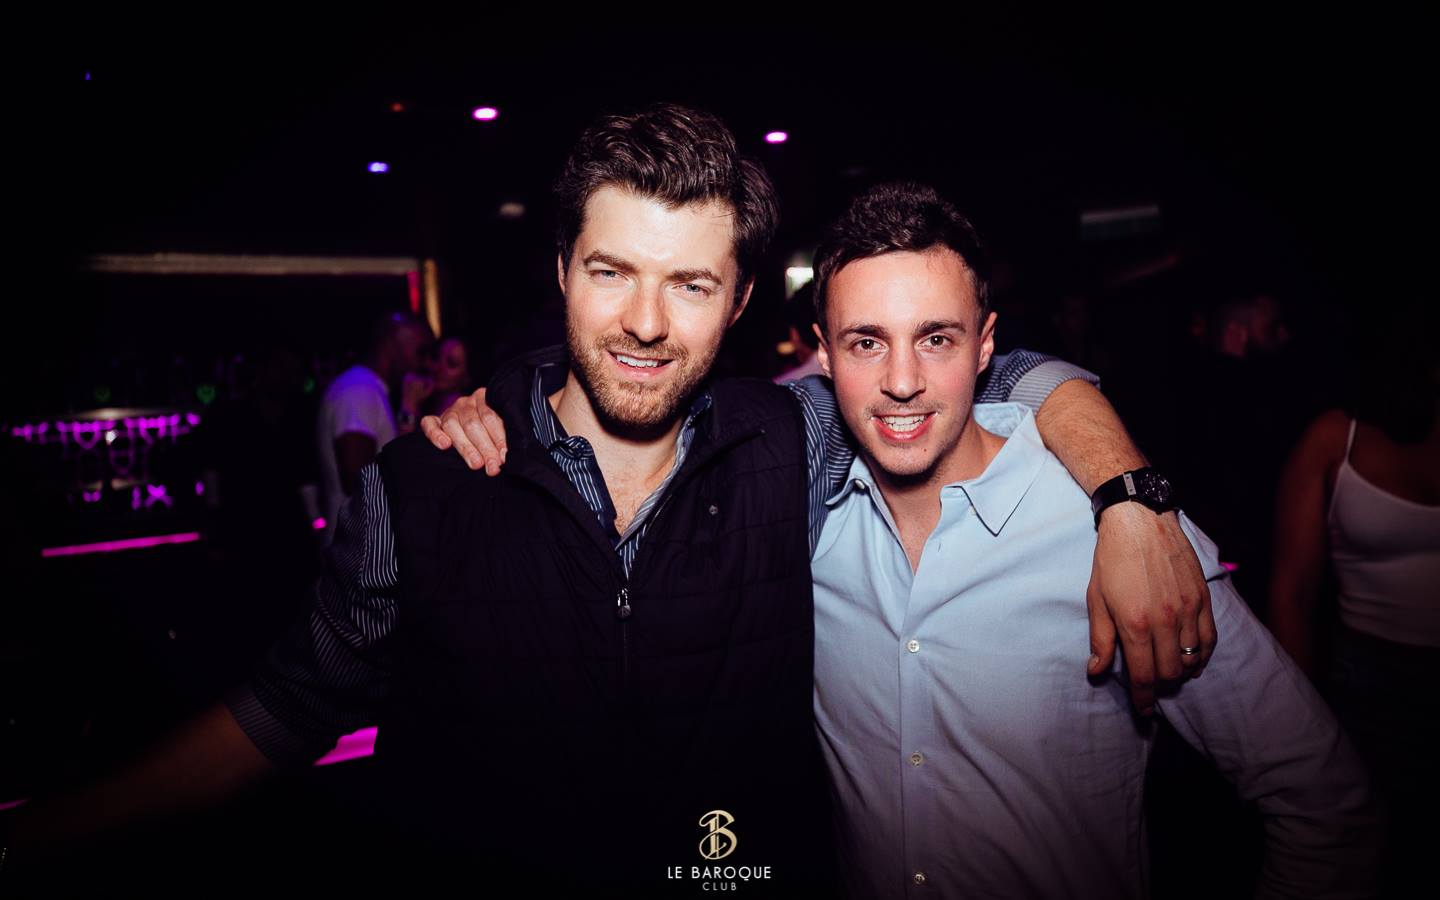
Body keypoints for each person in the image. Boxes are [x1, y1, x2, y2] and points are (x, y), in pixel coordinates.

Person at [2, 106, 1211, 894]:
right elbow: (284, 707)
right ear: (562, 272)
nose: (644, 322)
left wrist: (1128, 496)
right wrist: (40, 831)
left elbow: (991, 371)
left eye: (690, 283)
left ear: (740, 302)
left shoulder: (791, 437)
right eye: (611, 272)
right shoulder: (427, 480)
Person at [804, 182, 1377, 898]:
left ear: (985, 345)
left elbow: (1324, 804)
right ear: (823, 355)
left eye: (936, 339)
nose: (901, 382)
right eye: (867, 343)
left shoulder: (1120, 534)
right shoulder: (805, 531)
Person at [1269, 310, 1440, 895]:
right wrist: (1303, 723)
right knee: (1371, 852)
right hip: (1368, 682)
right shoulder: (1335, 437)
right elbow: (1292, 592)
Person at [316, 311, 433, 542]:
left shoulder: (371, 389)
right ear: (393, 342)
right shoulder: (359, 390)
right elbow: (359, 480)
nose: (425, 362)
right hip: (359, 548)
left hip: (367, 544)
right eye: (420, 351)